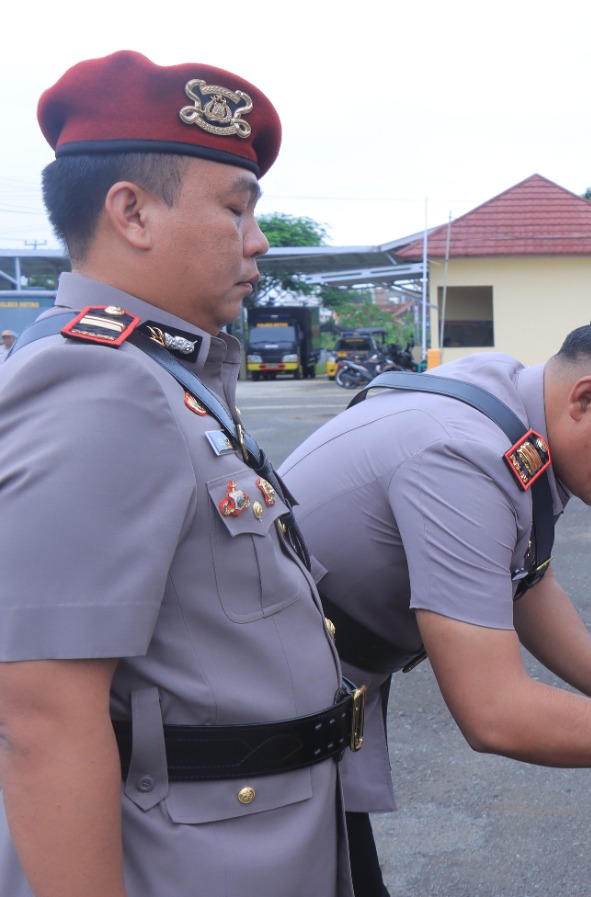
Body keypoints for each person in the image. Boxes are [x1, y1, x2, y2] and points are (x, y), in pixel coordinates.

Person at [279, 285, 591, 896]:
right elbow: (496, 713)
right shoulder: (466, 457)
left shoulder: (510, 399)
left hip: (309, 688)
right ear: (586, 398)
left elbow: (524, 578)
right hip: (255, 713)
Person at [0, 51, 354, 897]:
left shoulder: (163, 373)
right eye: (237, 208)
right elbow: (41, 713)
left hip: (248, 834)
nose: (259, 240)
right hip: (193, 858)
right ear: (132, 212)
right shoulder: (99, 382)